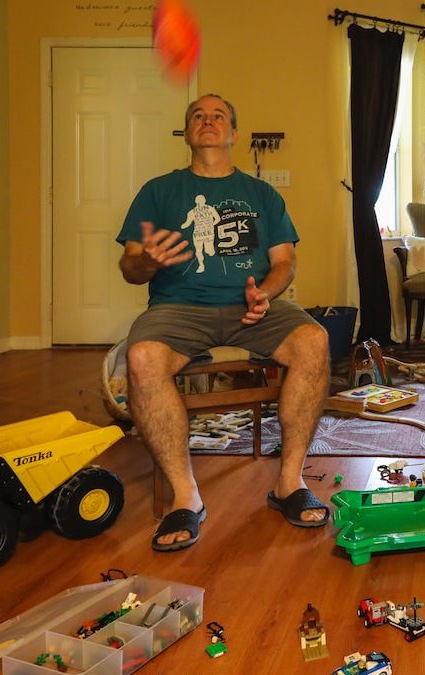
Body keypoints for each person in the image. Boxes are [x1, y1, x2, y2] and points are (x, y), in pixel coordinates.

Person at [117, 93, 331, 552]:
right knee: (141, 357)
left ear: (233, 133)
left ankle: (289, 484)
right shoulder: (158, 191)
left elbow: (285, 261)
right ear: (188, 133)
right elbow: (129, 265)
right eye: (198, 115)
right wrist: (149, 263)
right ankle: (185, 496)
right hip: (178, 309)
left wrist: (265, 293)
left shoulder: (262, 195)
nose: (208, 121)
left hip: (253, 307)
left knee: (314, 339)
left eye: (218, 116)